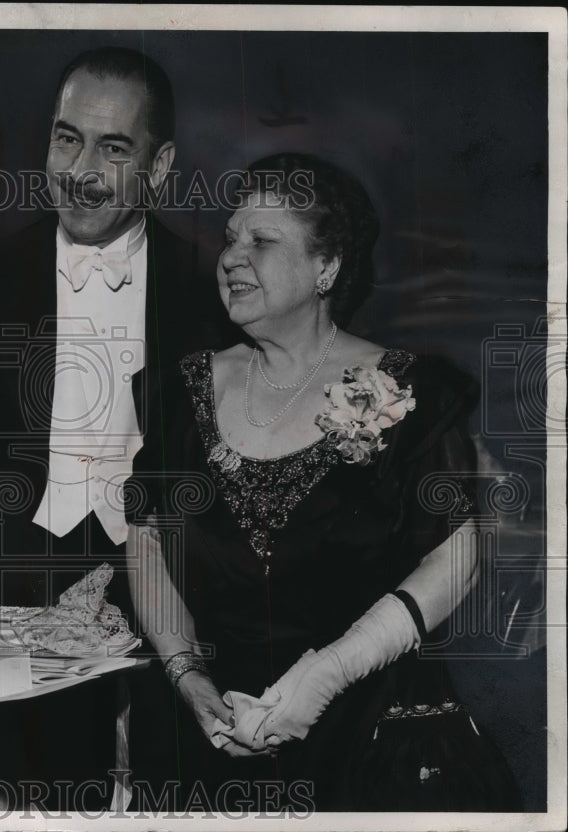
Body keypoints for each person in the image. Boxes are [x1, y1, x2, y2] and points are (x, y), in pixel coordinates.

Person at [126, 152, 520, 811]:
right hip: (209, 730)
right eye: (229, 238)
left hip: (366, 737)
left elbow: (459, 555)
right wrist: (186, 674)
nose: (231, 257)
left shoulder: (408, 390)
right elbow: (146, 543)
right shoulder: (179, 391)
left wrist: (325, 676)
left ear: (326, 268)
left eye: (262, 240)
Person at [0, 46, 225, 803]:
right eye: (65, 137)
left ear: (161, 163)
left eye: (113, 147)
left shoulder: (214, 295)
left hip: (170, 616)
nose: (79, 168)